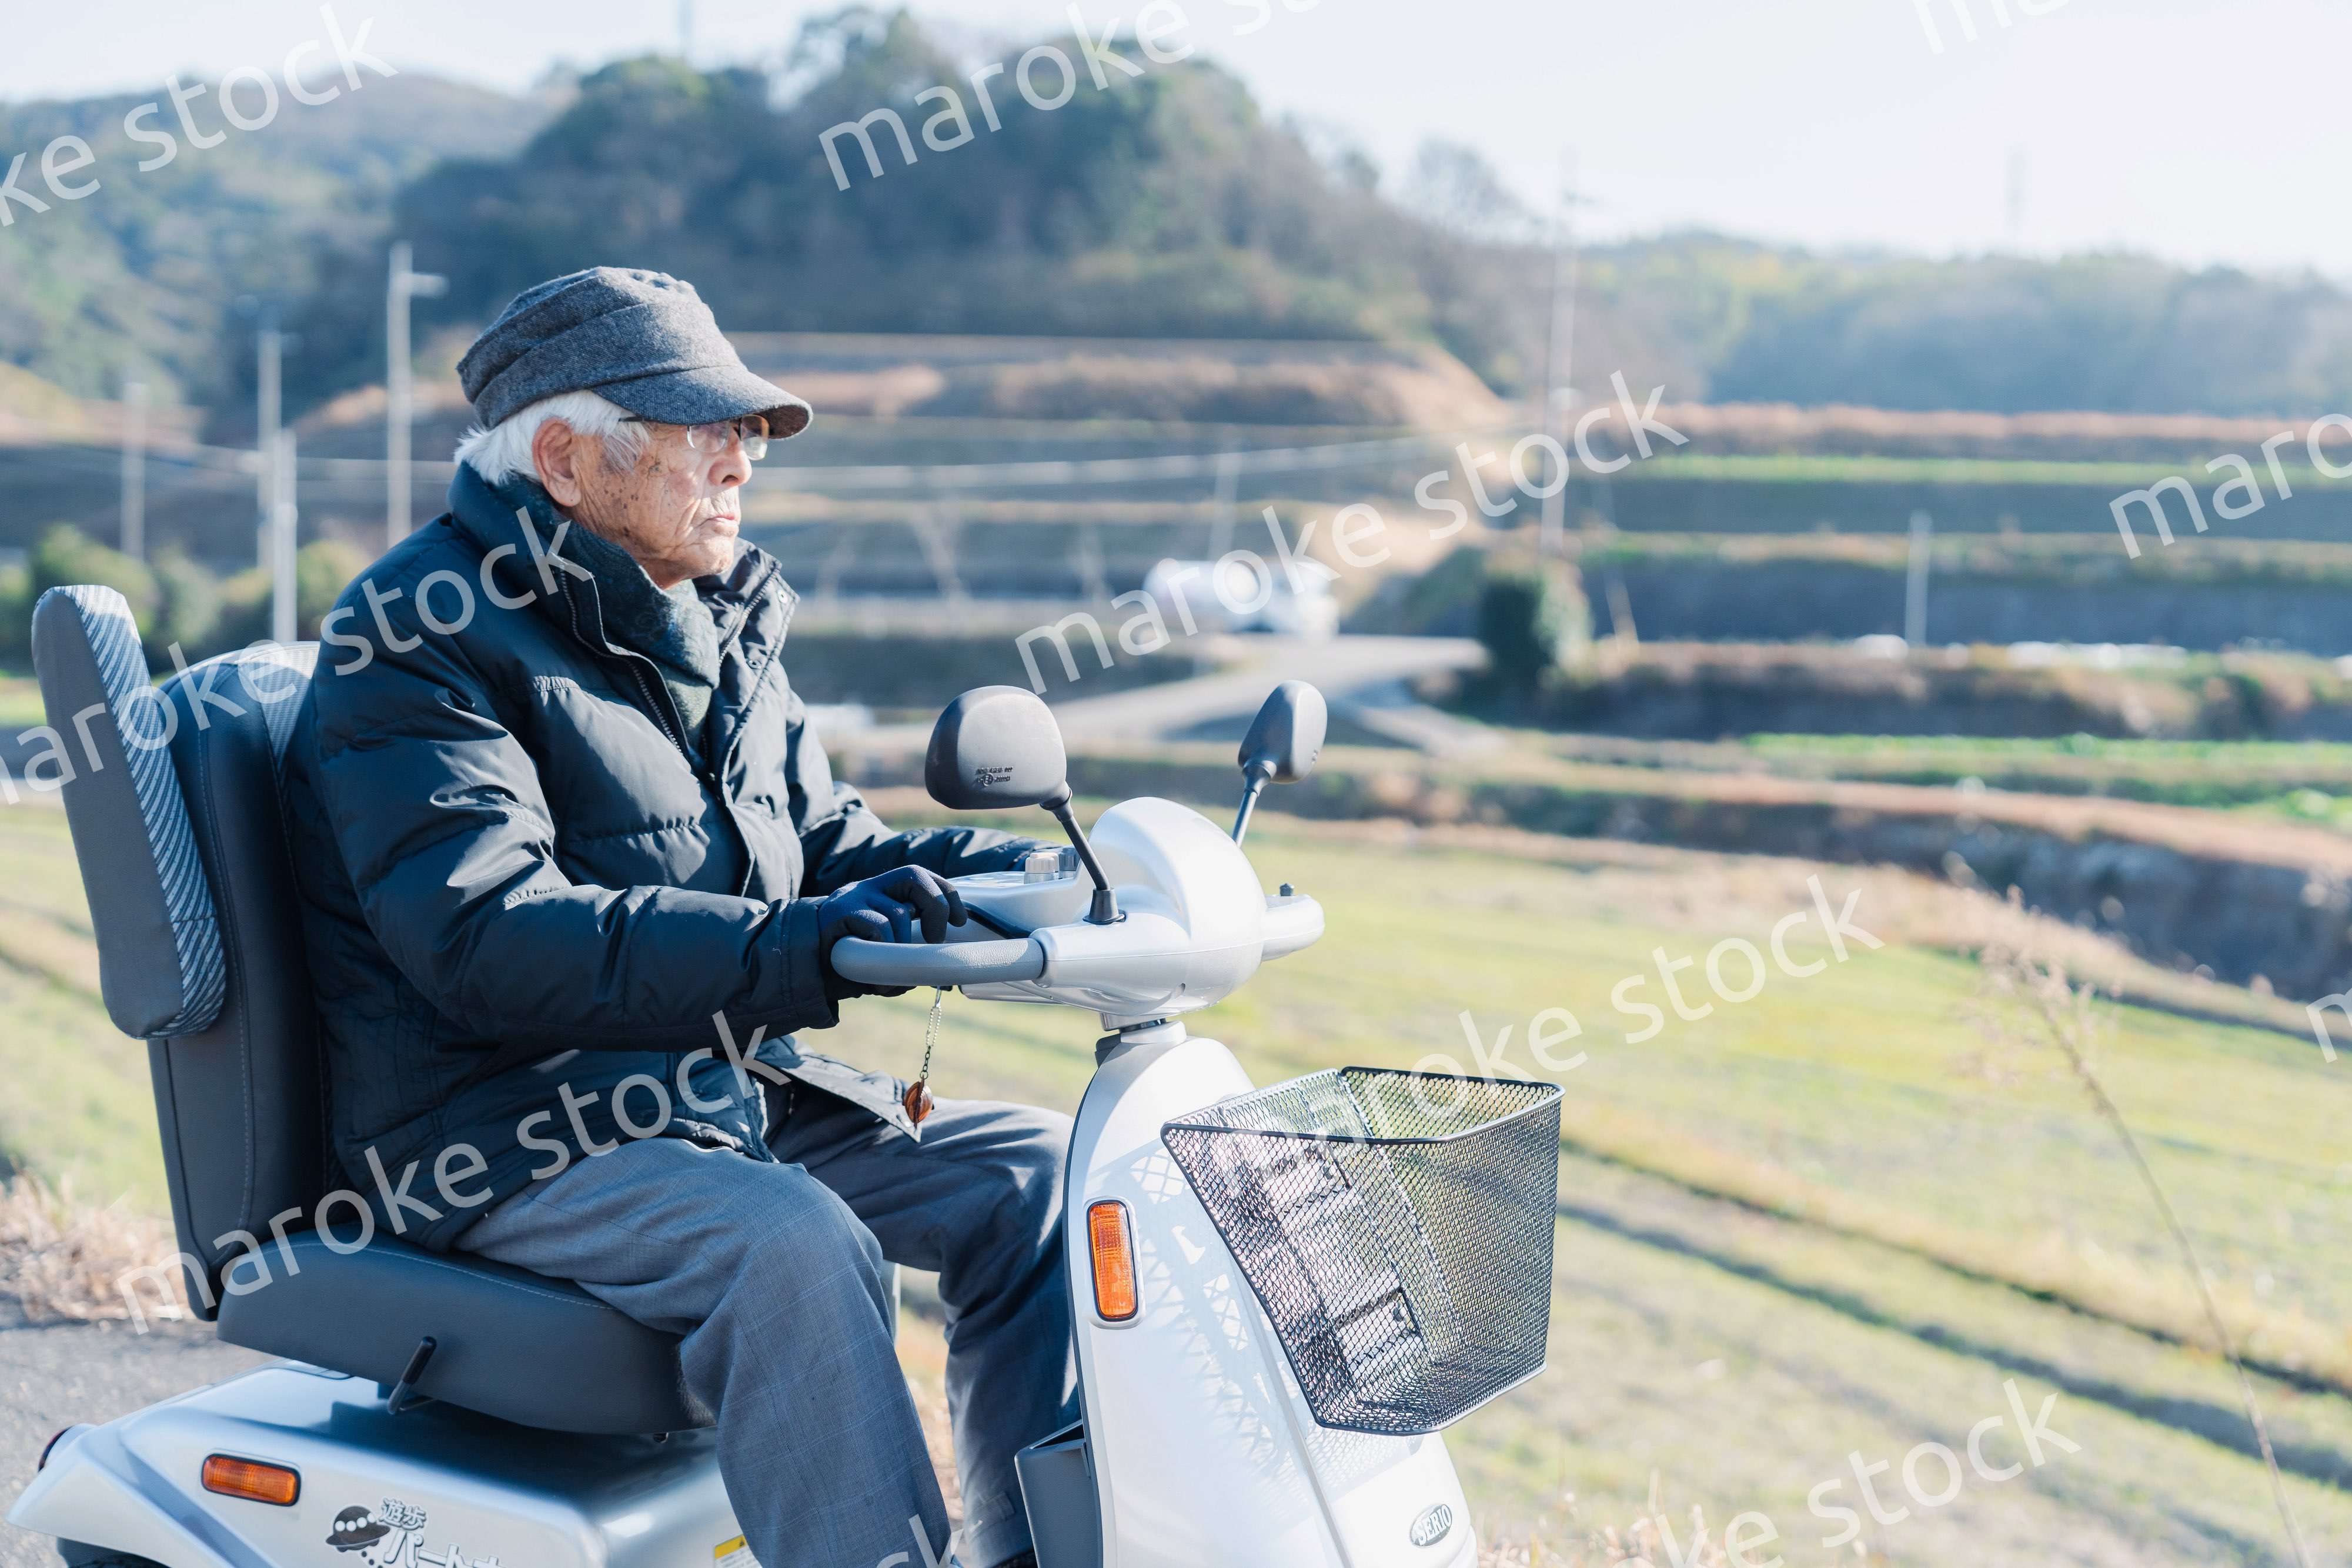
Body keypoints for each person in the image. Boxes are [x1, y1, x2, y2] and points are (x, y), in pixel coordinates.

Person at [283, 267, 1073, 1568]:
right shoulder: (414, 635)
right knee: (792, 1241)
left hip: (704, 1090)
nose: (741, 463)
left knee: (1031, 1174)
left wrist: (1039, 875)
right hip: (505, 1130)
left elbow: (825, 846)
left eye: (747, 432)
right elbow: (485, 934)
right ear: (565, 457)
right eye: (704, 430)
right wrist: (795, 949)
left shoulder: (713, 615)